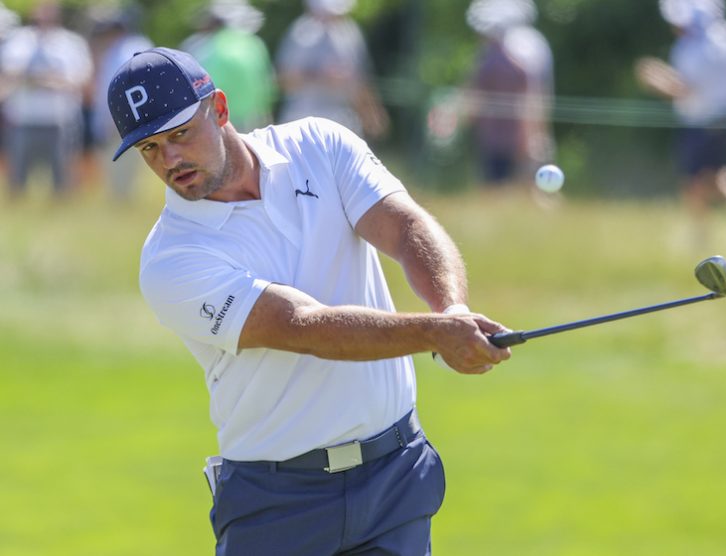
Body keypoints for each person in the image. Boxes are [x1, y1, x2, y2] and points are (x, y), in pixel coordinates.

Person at [107, 47, 510, 554]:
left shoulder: (318, 144)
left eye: (180, 134)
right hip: (277, 502)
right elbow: (304, 326)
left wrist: (450, 309)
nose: (170, 160)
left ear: (221, 108)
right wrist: (434, 334)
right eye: (149, 148)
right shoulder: (171, 258)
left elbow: (405, 227)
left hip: (396, 480)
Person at [635, 0, 726, 230]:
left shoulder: (696, 47)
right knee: (718, 171)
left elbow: (683, 89)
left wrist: (653, 78)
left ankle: (704, 232)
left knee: (693, 181)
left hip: (703, 120)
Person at [0, 1, 92, 199]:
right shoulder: (19, 41)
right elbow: (8, 73)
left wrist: (51, 80)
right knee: (17, 178)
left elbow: (82, 78)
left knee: (62, 177)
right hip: (23, 120)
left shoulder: (70, 43)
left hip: (59, 121)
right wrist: (37, 78)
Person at [464, 0, 555, 188]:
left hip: (504, 136)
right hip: (513, 135)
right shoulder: (527, 48)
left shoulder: (495, 58)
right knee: (521, 187)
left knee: (509, 187)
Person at [274, 0, 389, 141]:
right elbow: (284, 80)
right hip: (301, 120)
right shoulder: (301, 34)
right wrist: (321, 78)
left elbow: (360, 80)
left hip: (341, 121)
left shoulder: (350, 34)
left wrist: (371, 113)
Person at [88, 5, 152, 200]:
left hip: (124, 117)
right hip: (123, 117)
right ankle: (121, 198)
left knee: (123, 164)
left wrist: (116, 119)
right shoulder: (122, 48)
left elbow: (124, 87)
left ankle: (122, 199)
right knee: (117, 164)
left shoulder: (127, 49)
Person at [180, 0, 275, 131]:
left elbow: (204, 88)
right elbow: (268, 83)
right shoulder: (254, 43)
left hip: (226, 119)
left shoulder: (210, 47)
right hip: (257, 117)